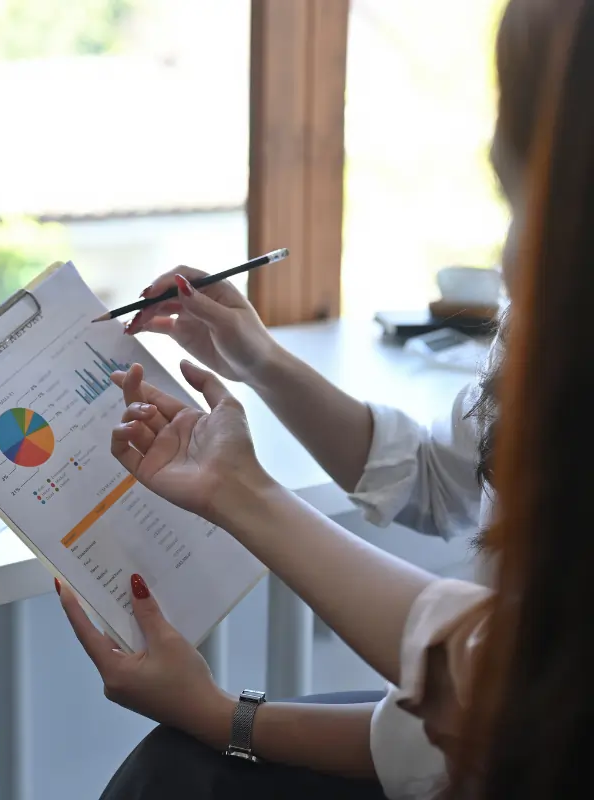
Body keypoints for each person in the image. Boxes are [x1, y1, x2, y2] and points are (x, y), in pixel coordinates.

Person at [55, 0, 586, 796]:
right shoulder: (549, 321)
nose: (509, 267)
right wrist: (262, 361)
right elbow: (447, 480)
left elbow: (497, 699)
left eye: (529, 201)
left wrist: (222, 712)